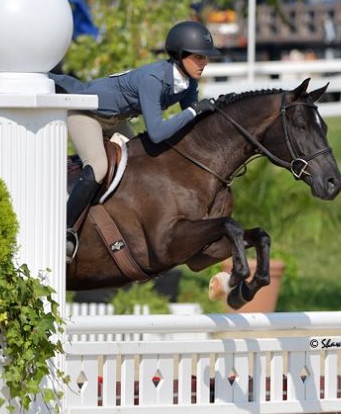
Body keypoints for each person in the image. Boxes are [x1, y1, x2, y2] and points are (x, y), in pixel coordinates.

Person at [50, 20, 221, 262]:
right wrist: (194, 112)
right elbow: (157, 132)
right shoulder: (153, 79)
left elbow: (192, 124)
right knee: (98, 166)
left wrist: (216, 111)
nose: (204, 63)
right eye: (199, 57)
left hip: (117, 118)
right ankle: (64, 231)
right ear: (181, 56)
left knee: (143, 166)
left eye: (205, 58)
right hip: (87, 112)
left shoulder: (189, 82)